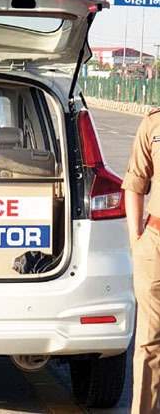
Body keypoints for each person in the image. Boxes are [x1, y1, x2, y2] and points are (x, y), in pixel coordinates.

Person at [122, 108, 160, 413]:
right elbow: (135, 182)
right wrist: (135, 240)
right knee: (149, 342)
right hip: (155, 243)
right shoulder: (153, 124)